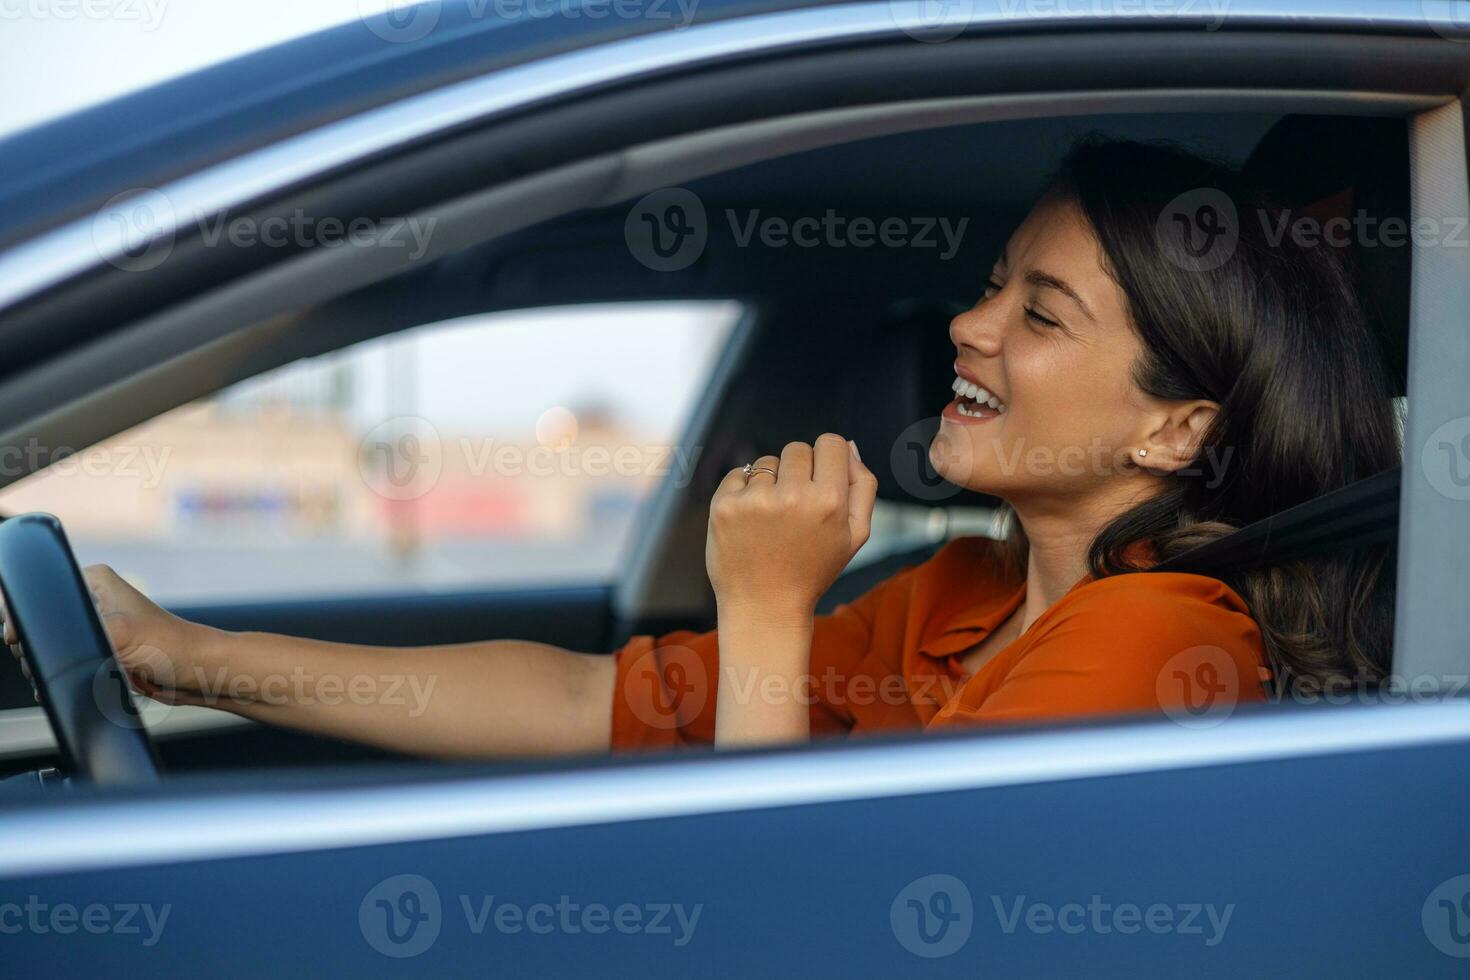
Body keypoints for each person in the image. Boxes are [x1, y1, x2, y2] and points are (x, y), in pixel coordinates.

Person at [13, 136, 1400, 756]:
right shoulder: (960, 600)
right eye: (988, 286)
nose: (966, 330)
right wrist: (169, 649)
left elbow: (808, 917)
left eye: (1036, 313)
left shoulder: (1154, 639)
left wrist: (764, 604)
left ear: (1176, 424)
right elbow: (576, 705)